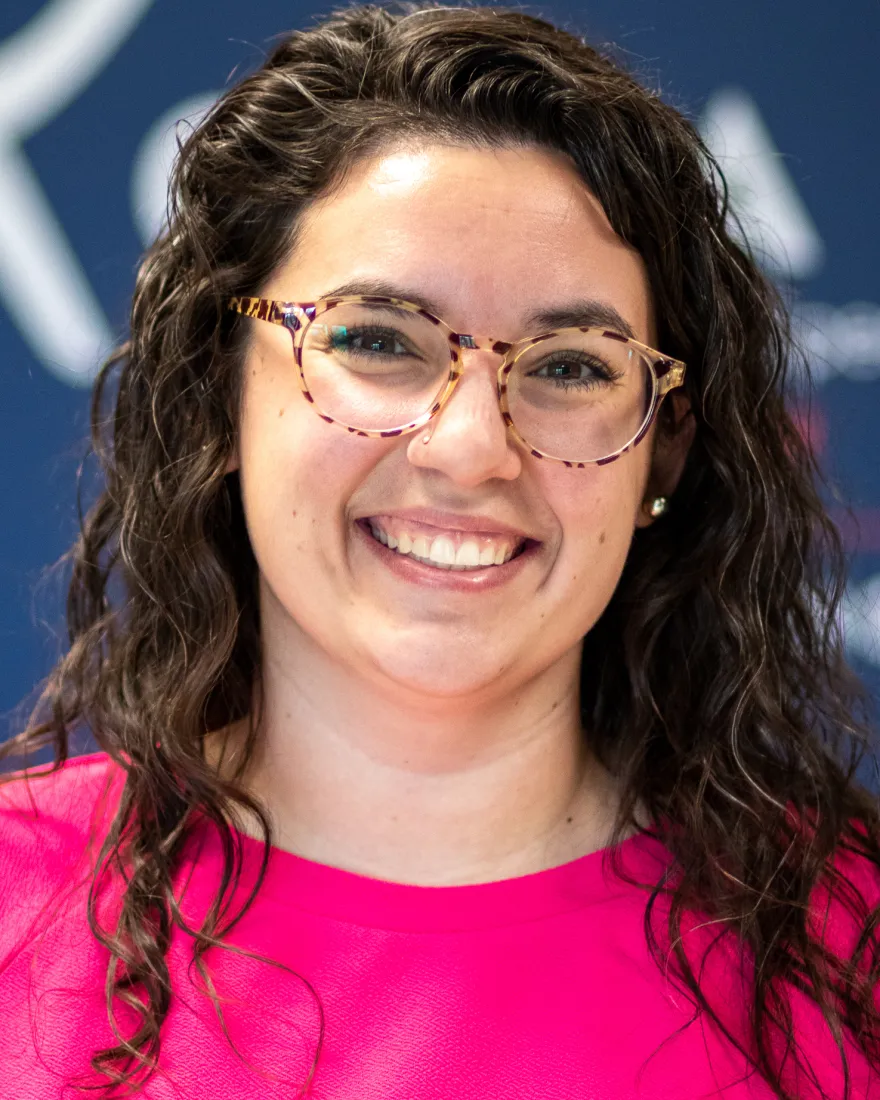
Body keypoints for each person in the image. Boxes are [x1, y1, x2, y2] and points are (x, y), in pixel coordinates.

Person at [1, 3, 878, 1097]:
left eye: (569, 366)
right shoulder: (13, 907)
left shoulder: (849, 951)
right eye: (376, 340)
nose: (471, 446)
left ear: (662, 451)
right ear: (217, 397)